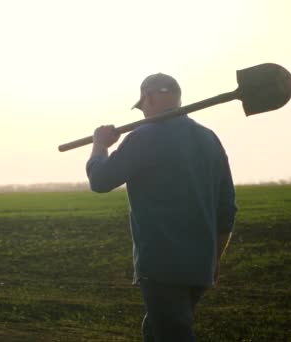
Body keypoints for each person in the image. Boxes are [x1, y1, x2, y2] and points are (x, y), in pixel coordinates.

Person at [86, 74, 237, 341]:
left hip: (161, 265)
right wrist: (214, 259)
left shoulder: (144, 137)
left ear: (150, 97)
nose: (143, 110)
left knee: (171, 334)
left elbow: (100, 180)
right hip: (200, 265)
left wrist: (99, 145)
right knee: (157, 331)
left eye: (142, 104)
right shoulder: (209, 139)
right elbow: (227, 211)